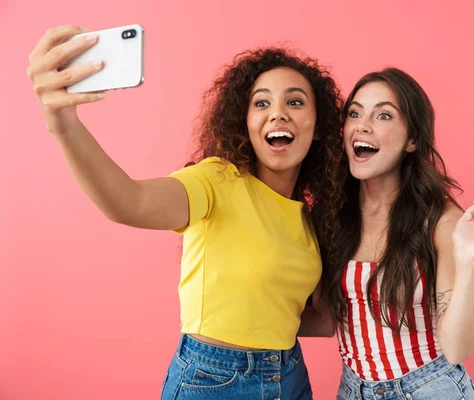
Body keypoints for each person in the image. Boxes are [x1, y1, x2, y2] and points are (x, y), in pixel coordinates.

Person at [26, 24, 346, 400]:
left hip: (289, 375)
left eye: (294, 102)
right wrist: (63, 125)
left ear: (319, 127)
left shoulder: (311, 221)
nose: (277, 114)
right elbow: (129, 202)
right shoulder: (216, 180)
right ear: (244, 122)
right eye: (261, 103)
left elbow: (322, 322)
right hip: (216, 381)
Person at [323, 68, 474, 399]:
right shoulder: (334, 212)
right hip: (352, 389)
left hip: (427, 388)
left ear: (412, 140)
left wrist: (468, 260)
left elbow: (457, 348)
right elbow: (320, 320)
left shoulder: (440, 221)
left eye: (384, 115)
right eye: (355, 113)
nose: (362, 125)